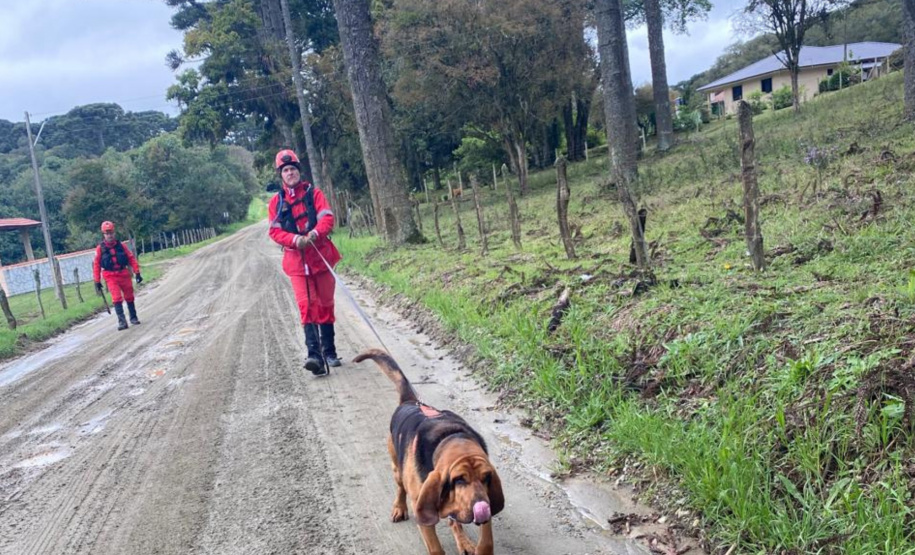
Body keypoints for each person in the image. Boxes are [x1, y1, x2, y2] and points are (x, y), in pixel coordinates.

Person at [268, 149, 342, 375]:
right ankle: (314, 356)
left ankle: (329, 350)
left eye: (292, 169)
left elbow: (327, 218)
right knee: (306, 306)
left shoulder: (315, 194)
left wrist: (314, 235)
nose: (290, 173)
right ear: (281, 175)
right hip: (296, 263)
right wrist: (294, 239)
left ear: (299, 171)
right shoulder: (276, 203)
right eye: (286, 170)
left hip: (320, 257)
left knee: (326, 303)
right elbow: (274, 232)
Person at [93, 221, 142, 331]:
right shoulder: (100, 249)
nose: (109, 235)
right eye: (107, 233)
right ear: (104, 235)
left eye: (111, 233)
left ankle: (133, 318)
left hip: (123, 274)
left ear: (114, 233)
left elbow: (131, 258)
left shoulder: (122, 246)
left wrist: (137, 272)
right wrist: (97, 280)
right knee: (116, 297)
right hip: (110, 276)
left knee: (129, 296)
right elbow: (96, 265)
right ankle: (122, 322)